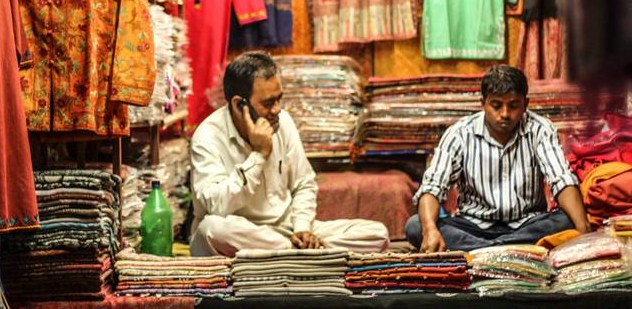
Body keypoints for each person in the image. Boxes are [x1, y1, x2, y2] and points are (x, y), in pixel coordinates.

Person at [189, 52, 389, 257]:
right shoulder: (207, 136)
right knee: (211, 230)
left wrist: (302, 228)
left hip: (286, 231)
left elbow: (304, 184)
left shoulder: (283, 121)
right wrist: (258, 156)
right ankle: (308, 257)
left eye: (279, 99)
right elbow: (217, 206)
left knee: (377, 234)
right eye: (268, 103)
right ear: (239, 105)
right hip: (243, 233)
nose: (277, 109)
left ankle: (290, 254)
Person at [405, 65, 591, 252]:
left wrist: (583, 230)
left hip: (527, 224)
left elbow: (562, 179)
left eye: (513, 105)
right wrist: (430, 230)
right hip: (473, 226)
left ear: (525, 104)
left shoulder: (540, 130)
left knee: (567, 219)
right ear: (483, 102)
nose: (505, 114)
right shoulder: (459, 133)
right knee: (416, 226)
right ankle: (511, 250)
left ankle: (483, 251)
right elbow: (433, 186)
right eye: (496, 105)